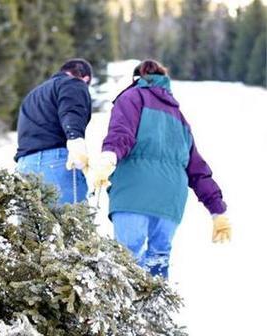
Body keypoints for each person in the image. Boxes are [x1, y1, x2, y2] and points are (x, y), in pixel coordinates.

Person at [93, 59, 231, 278]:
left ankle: (125, 311)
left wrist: (108, 158)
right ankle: (152, 311)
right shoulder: (180, 117)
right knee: (157, 262)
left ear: (137, 78)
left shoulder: (131, 97)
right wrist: (217, 210)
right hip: (170, 200)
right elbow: (198, 169)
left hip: (134, 192)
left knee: (125, 262)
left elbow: (122, 134)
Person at [15, 58, 93, 205]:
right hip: (56, 163)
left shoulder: (32, 95)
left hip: (25, 165)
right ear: (85, 78)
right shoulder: (74, 83)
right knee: (73, 224)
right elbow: (72, 111)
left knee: (32, 226)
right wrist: (76, 140)